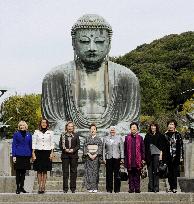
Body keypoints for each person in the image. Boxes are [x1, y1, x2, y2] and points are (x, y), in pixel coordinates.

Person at [42, 14, 140, 135]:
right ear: (73, 42)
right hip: (73, 136)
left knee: (129, 139)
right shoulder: (56, 76)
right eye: (84, 41)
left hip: (110, 135)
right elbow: (53, 123)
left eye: (99, 41)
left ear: (109, 43)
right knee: (53, 139)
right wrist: (75, 132)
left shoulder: (126, 77)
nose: (92, 48)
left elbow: (130, 122)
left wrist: (112, 131)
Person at [32, 119, 54, 194]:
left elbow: (52, 144)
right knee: (39, 170)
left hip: (47, 152)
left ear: (47, 124)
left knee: (44, 171)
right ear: (40, 124)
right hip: (38, 152)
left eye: (45, 123)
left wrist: (51, 153)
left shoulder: (50, 132)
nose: (44, 124)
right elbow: (34, 143)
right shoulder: (36, 132)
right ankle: (39, 186)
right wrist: (33, 153)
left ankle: (43, 186)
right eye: (42, 122)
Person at [59, 121, 80, 193]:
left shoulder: (76, 135)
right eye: (69, 126)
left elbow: (78, 146)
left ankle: (73, 188)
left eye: (71, 126)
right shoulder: (63, 135)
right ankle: (65, 188)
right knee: (65, 172)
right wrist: (66, 149)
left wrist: (73, 150)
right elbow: (60, 145)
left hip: (74, 156)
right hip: (65, 156)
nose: (70, 127)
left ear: (73, 128)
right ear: (66, 127)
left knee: (73, 172)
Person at [144, 122, 165, 192]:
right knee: (150, 172)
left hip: (157, 155)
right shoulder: (147, 136)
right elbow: (145, 147)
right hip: (149, 156)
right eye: (152, 126)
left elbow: (162, 147)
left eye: (154, 126)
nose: (153, 127)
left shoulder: (160, 135)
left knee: (156, 172)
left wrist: (161, 156)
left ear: (156, 127)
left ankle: (156, 187)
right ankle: (150, 188)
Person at [163, 119, 184, 193]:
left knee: (175, 172)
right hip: (168, 156)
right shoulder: (165, 135)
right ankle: (170, 187)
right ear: (167, 126)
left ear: (174, 126)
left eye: (172, 124)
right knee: (169, 173)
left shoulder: (178, 134)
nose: (170, 126)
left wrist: (181, 157)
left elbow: (181, 146)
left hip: (176, 156)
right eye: (169, 124)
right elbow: (163, 147)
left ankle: (174, 187)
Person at [12, 121, 32, 194]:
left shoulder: (29, 134)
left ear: (25, 126)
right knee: (18, 172)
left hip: (26, 155)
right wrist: (14, 156)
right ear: (19, 126)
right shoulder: (16, 134)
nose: (22, 126)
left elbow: (30, 145)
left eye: (23, 125)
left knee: (23, 173)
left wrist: (31, 155)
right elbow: (14, 145)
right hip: (18, 155)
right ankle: (17, 187)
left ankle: (22, 187)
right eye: (20, 125)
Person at [124, 122, 145, 193]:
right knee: (130, 175)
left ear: (137, 129)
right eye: (132, 127)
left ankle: (137, 188)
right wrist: (125, 159)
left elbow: (142, 149)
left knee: (137, 174)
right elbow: (125, 150)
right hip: (130, 160)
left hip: (138, 160)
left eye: (135, 127)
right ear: (130, 129)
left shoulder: (140, 138)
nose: (133, 128)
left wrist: (143, 158)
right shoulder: (127, 138)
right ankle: (131, 188)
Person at [103, 126, 124, 193]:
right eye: (111, 130)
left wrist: (122, 158)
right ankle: (109, 189)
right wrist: (104, 158)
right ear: (109, 131)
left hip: (117, 158)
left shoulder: (119, 138)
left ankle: (117, 189)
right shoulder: (105, 138)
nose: (112, 131)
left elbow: (122, 149)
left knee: (117, 174)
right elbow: (103, 149)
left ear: (115, 131)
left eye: (113, 130)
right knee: (109, 174)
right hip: (108, 158)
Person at [83, 123, 103, 193]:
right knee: (89, 172)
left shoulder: (99, 139)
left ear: (96, 130)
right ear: (89, 130)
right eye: (91, 129)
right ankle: (89, 187)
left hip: (96, 158)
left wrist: (96, 154)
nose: (93, 130)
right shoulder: (87, 139)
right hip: (88, 158)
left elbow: (100, 147)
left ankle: (95, 187)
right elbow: (85, 147)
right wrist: (88, 154)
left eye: (94, 129)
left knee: (95, 172)